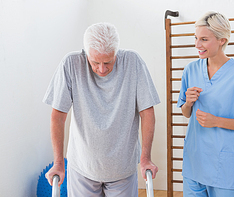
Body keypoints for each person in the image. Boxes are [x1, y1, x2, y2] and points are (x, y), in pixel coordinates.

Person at [43, 22, 160, 197]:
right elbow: (57, 117)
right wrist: (59, 162)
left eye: (108, 61)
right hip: (82, 167)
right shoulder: (71, 64)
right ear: (86, 53)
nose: (102, 69)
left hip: (122, 168)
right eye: (95, 62)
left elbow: (147, 113)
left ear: (116, 53)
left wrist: (145, 158)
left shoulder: (133, 62)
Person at [177, 11, 234, 197]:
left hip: (225, 168)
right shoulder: (190, 70)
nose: (197, 45)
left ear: (222, 40)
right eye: (196, 38)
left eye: (204, 39)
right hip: (195, 163)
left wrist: (216, 121)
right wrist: (189, 103)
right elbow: (185, 113)